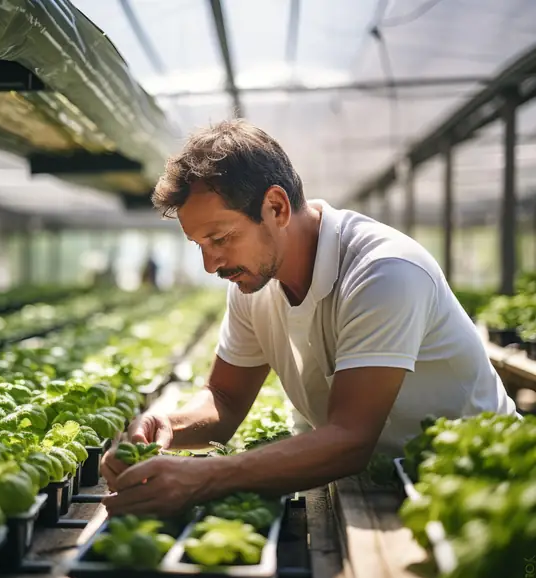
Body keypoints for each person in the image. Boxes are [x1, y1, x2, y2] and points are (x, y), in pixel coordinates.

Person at [101, 119, 517, 517]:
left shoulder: (384, 271)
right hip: (384, 486)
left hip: (485, 491)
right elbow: (225, 401)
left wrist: (205, 476)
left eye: (221, 238)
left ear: (276, 207)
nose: (211, 264)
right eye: (199, 245)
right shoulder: (253, 286)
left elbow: (350, 438)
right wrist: (165, 423)